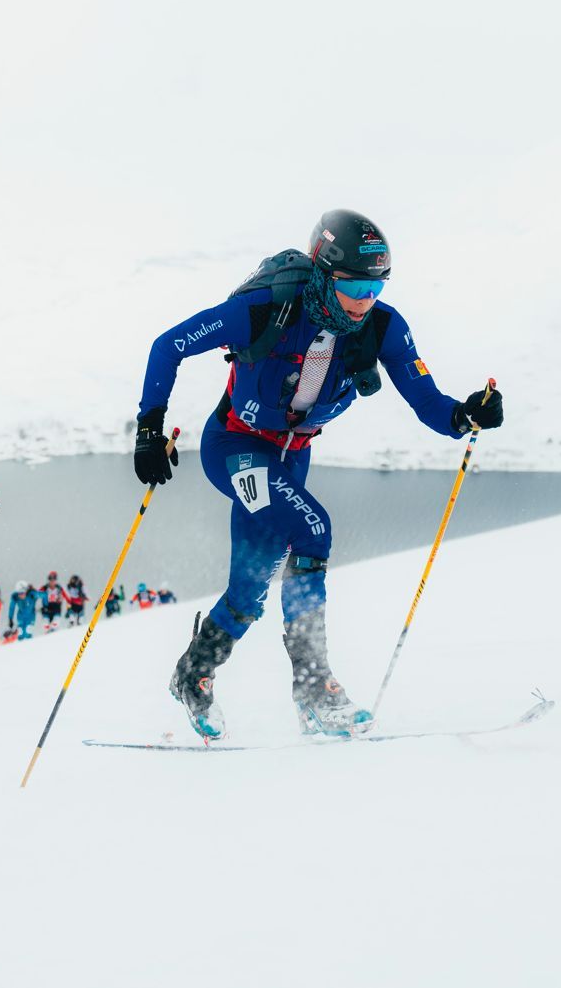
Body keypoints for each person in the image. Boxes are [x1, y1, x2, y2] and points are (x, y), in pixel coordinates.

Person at [133, 209, 503, 740]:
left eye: (377, 286)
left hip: (289, 457)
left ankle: (192, 674)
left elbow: (426, 400)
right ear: (323, 271)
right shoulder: (264, 309)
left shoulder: (381, 327)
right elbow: (167, 346)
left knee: (249, 590)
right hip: (235, 445)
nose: (365, 299)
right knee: (313, 529)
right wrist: (149, 429)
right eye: (354, 285)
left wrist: (464, 416)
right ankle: (313, 687)